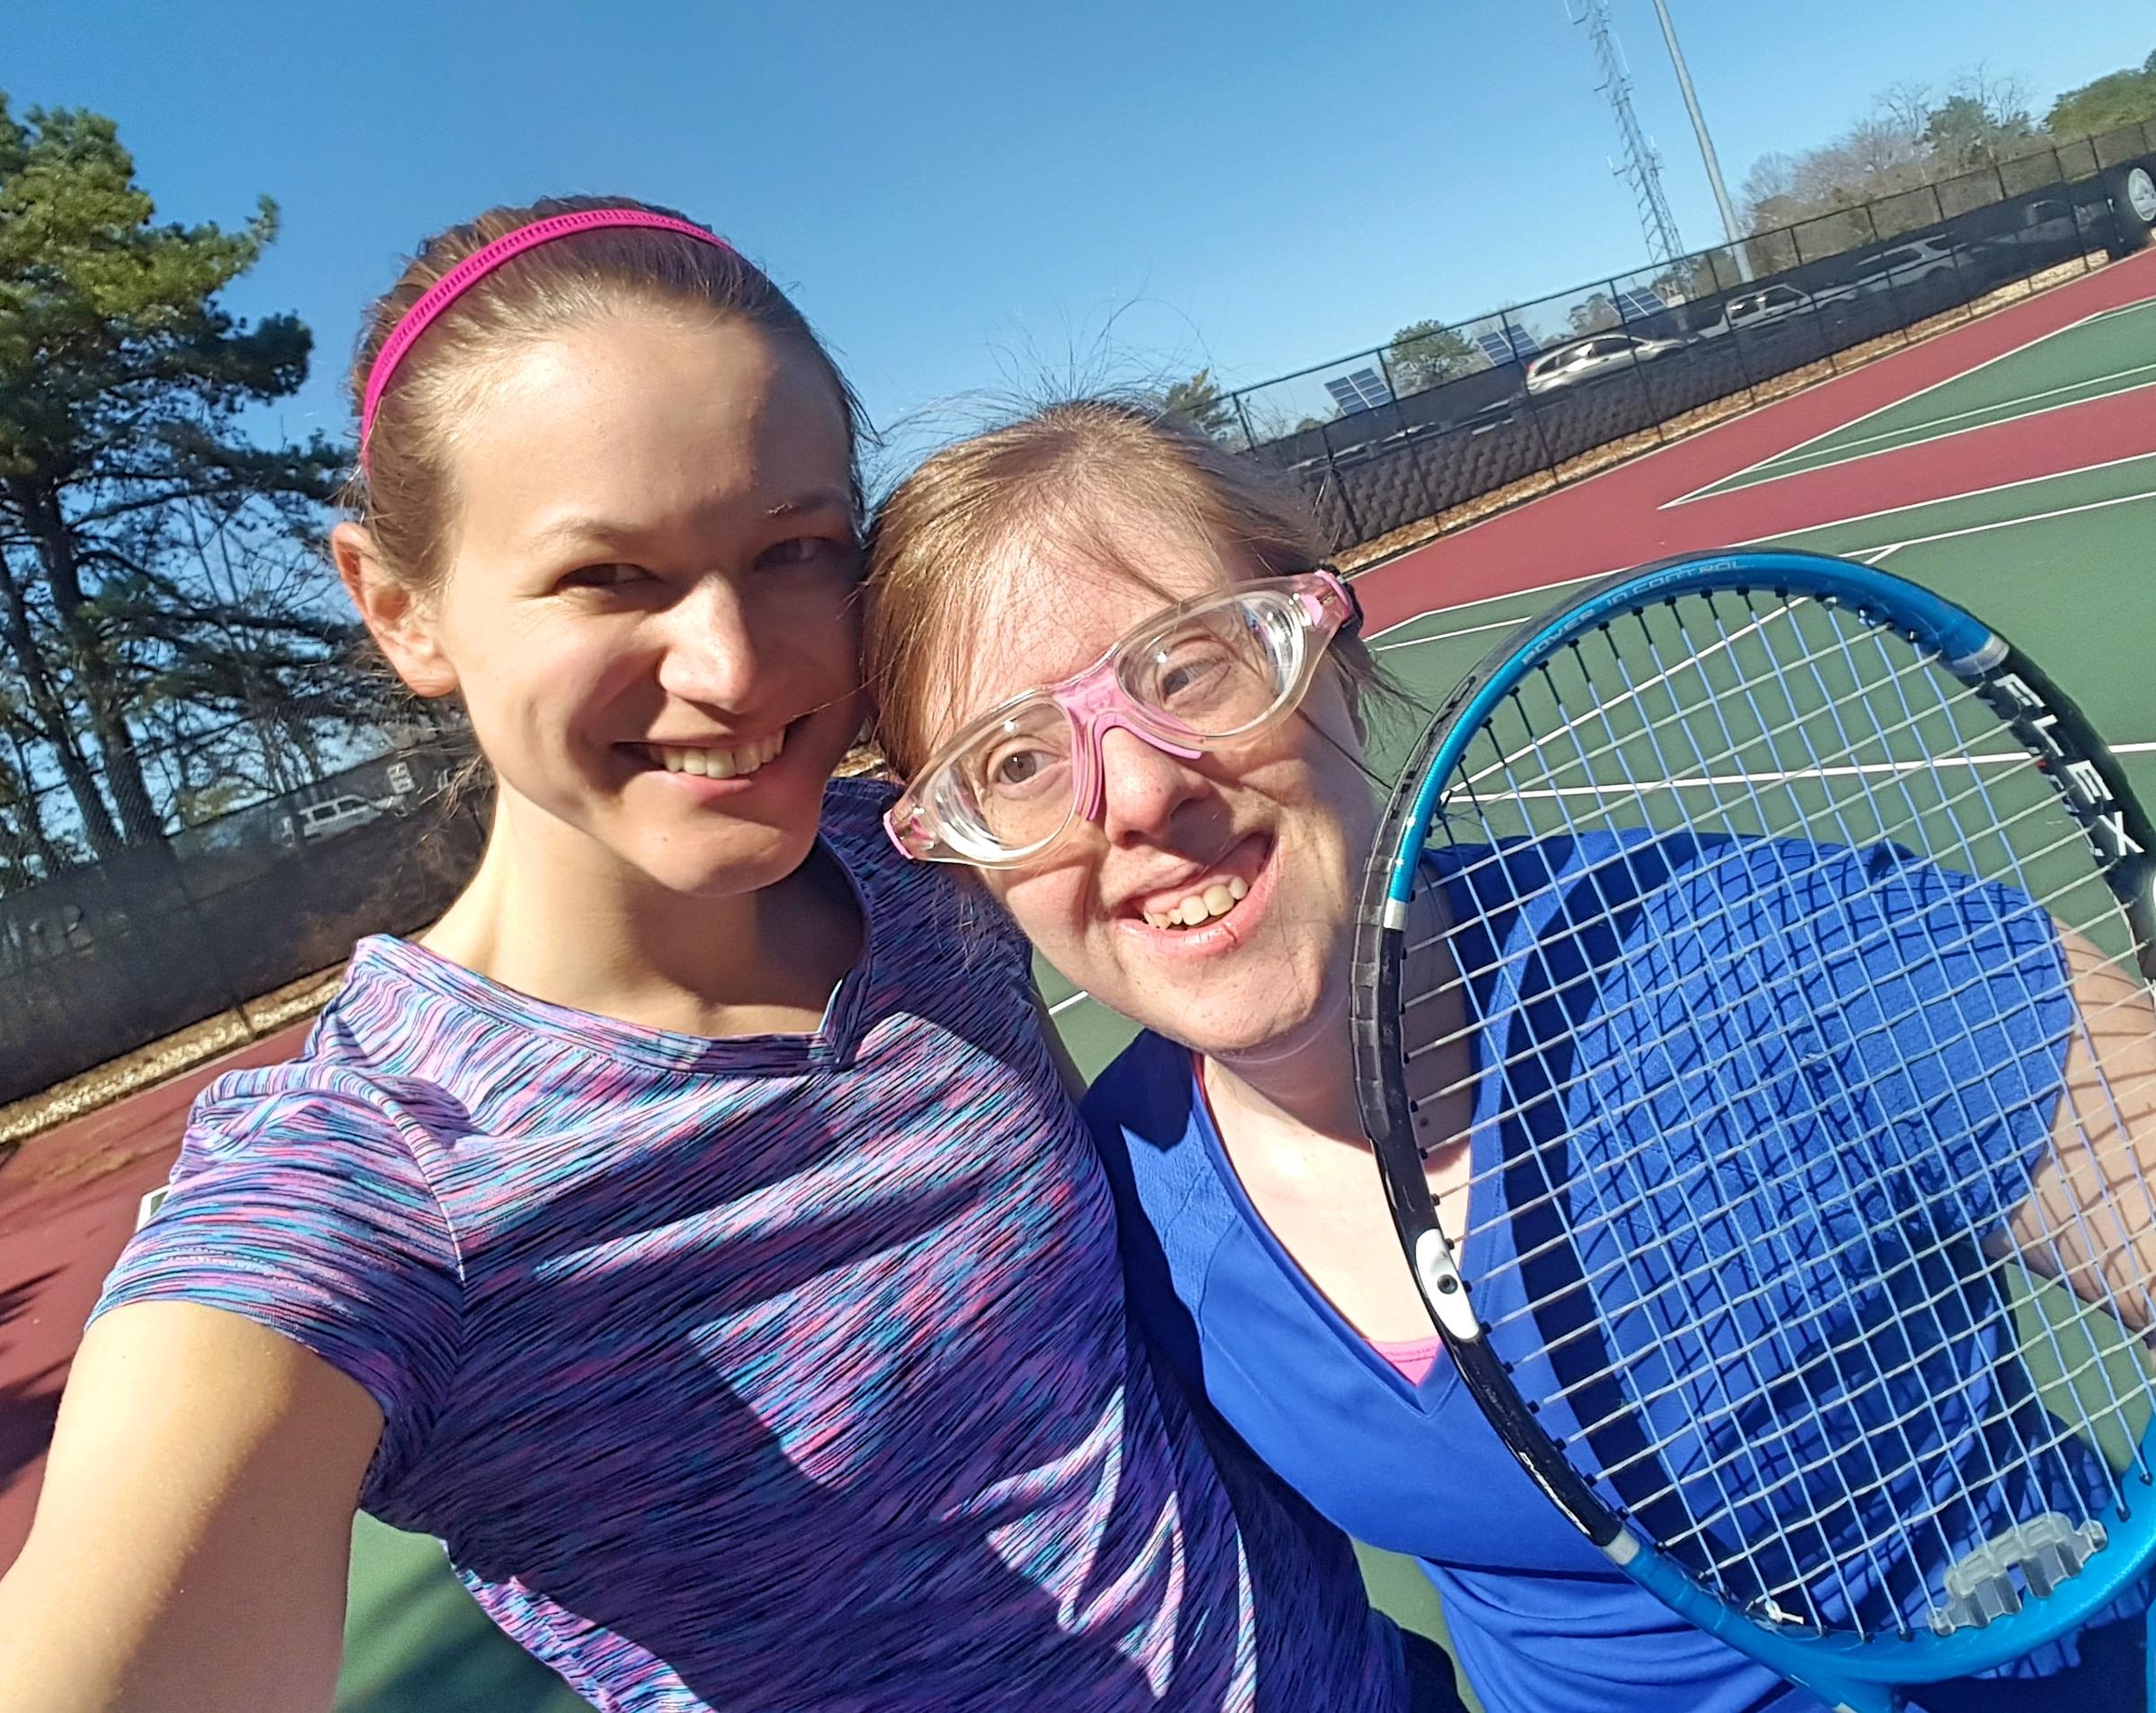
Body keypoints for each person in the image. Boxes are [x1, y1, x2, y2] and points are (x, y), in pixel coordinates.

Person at [0, 206, 1446, 1712]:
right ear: (399, 608)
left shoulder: (928, 870)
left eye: (795, 551)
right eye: (608, 577)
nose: (735, 666)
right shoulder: (374, 1180)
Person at [862, 398, 2156, 1713]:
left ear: (1330, 648)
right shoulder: (1108, 1219)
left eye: (1190, 666)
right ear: (963, 858)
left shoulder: (1787, 952)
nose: (1138, 793)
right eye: (1014, 760)